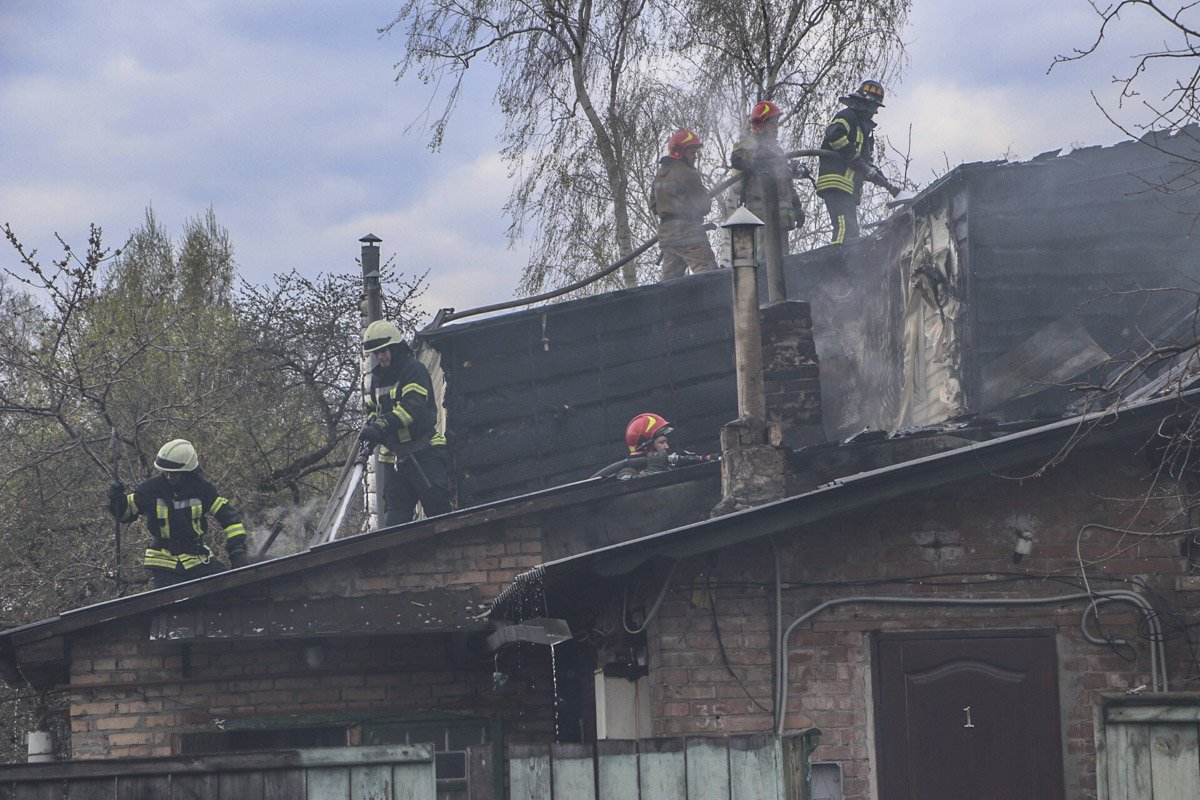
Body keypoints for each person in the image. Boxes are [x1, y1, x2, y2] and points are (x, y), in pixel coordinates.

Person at [106, 438, 249, 588]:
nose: (169, 476)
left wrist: (237, 551)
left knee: (227, 588)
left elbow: (229, 519)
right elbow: (125, 514)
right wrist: (117, 500)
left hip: (197, 558)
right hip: (163, 562)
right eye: (165, 472)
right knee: (177, 602)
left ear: (187, 471)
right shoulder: (151, 489)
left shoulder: (203, 489)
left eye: (174, 473)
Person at [358, 319, 452, 526]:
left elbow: (413, 409)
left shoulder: (414, 371)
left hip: (424, 452)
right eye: (376, 353)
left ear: (395, 347)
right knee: (395, 520)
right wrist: (372, 426)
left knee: (440, 512)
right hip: (395, 460)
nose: (380, 357)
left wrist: (381, 425)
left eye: (384, 351)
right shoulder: (377, 378)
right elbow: (373, 410)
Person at [816, 79, 896, 245]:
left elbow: (863, 164)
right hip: (837, 181)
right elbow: (835, 136)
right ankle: (837, 263)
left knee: (852, 231)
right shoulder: (847, 116)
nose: (875, 112)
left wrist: (877, 176)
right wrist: (855, 159)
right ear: (864, 103)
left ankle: (849, 265)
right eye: (874, 107)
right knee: (844, 227)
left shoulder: (863, 130)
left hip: (848, 188)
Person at [730, 101, 805, 256]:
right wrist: (761, 164)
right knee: (763, 261)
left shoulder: (777, 151)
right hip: (760, 213)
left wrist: (797, 207)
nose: (776, 127)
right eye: (772, 124)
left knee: (782, 261)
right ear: (759, 125)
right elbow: (736, 159)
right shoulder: (751, 142)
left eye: (777, 123)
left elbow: (787, 183)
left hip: (782, 217)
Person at [651, 129, 718, 281]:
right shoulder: (689, 173)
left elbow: (654, 206)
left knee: (669, 283)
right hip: (690, 234)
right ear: (680, 152)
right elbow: (704, 207)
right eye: (692, 153)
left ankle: (666, 304)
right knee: (710, 276)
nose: (695, 157)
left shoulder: (660, 175)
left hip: (668, 237)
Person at [612, 413, 715, 479]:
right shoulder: (627, 473)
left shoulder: (668, 466)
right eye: (661, 442)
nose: (667, 446)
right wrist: (653, 470)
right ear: (646, 447)